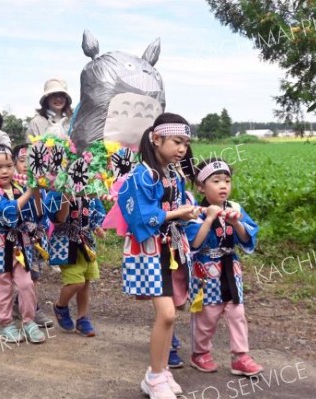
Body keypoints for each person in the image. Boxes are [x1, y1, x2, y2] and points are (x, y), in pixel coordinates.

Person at [118, 113, 198, 399]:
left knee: (171, 315)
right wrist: (179, 213)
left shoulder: (173, 175)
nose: (182, 149)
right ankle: (153, 377)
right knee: (165, 314)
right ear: (156, 138)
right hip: (150, 250)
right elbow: (141, 215)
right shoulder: (142, 174)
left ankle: (162, 372)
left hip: (171, 247)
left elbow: (181, 206)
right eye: (177, 141)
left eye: (185, 144)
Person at [185, 158, 263, 376]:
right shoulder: (195, 212)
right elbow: (194, 243)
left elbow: (248, 237)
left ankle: (241, 357)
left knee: (237, 312)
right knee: (207, 315)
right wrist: (209, 219)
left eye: (227, 181)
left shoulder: (235, 209)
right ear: (201, 186)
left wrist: (236, 223)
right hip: (206, 271)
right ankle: (200, 353)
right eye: (216, 181)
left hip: (230, 268)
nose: (223, 186)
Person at [0, 144, 46, 344]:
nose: (5, 170)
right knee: (2, 289)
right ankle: (6, 324)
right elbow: (7, 211)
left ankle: (29, 321)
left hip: (20, 246)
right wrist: (29, 192)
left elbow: (37, 213)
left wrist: (36, 191)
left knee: (26, 285)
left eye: (9, 165)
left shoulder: (19, 188)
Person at [45, 181, 106, 337]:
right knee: (75, 282)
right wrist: (66, 195)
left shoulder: (91, 188)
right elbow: (58, 218)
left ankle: (82, 318)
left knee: (86, 281)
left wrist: (97, 227)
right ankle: (60, 306)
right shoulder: (57, 191)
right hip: (65, 242)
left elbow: (96, 213)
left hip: (86, 242)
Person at [11, 143, 55, 327]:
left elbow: (42, 212)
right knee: (24, 276)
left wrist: (38, 191)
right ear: (13, 164)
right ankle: (32, 310)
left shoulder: (43, 187)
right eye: (22, 160)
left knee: (35, 275)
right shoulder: (11, 187)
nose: (27, 165)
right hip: (19, 239)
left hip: (38, 237)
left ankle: (20, 304)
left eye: (33, 161)